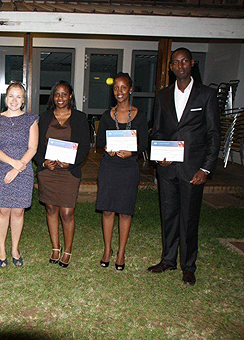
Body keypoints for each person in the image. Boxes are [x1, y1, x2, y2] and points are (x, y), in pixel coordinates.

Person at [148, 48, 220, 285]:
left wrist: (206, 169)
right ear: (170, 67)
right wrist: (159, 157)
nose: (180, 66)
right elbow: (157, 130)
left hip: (192, 170)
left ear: (191, 64)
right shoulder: (163, 96)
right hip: (168, 169)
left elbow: (213, 134)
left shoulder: (206, 95)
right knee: (168, 215)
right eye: (175, 63)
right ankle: (168, 260)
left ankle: (188, 266)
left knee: (189, 219)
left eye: (184, 61)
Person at [34, 80, 90, 268]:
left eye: (64, 94)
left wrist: (72, 162)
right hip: (48, 172)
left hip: (69, 172)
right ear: (53, 97)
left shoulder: (80, 118)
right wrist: (43, 162)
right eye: (57, 94)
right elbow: (36, 146)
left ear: (71, 96)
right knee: (51, 209)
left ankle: (67, 250)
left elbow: (84, 146)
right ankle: (55, 248)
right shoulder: (44, 117)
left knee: (67, 212)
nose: (60, 98)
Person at [96, 72, 148, 271]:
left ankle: (121, 252)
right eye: (116, 88)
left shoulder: (140, 115)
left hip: (129, 168)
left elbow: (144, 142)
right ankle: (107, 249)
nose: (119, 92)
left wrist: (131, 151)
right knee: (108, 210)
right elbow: (100, 141)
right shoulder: (107, 115)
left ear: (130, 89)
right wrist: (108, 147)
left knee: (125, 211)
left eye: (123, 88)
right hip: (109, 166)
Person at [0, 82, 39, 268]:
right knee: (2, 210)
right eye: (11, 96)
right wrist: (12, 163)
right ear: (5, 97)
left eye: (18, 97)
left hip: (23, 170)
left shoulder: (31, 120)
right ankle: (2, 248)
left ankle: (14, 249)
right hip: (1, 169)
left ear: (23, 100)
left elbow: (33, 147)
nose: (14, 100)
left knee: (18, 211)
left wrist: (18, 167)